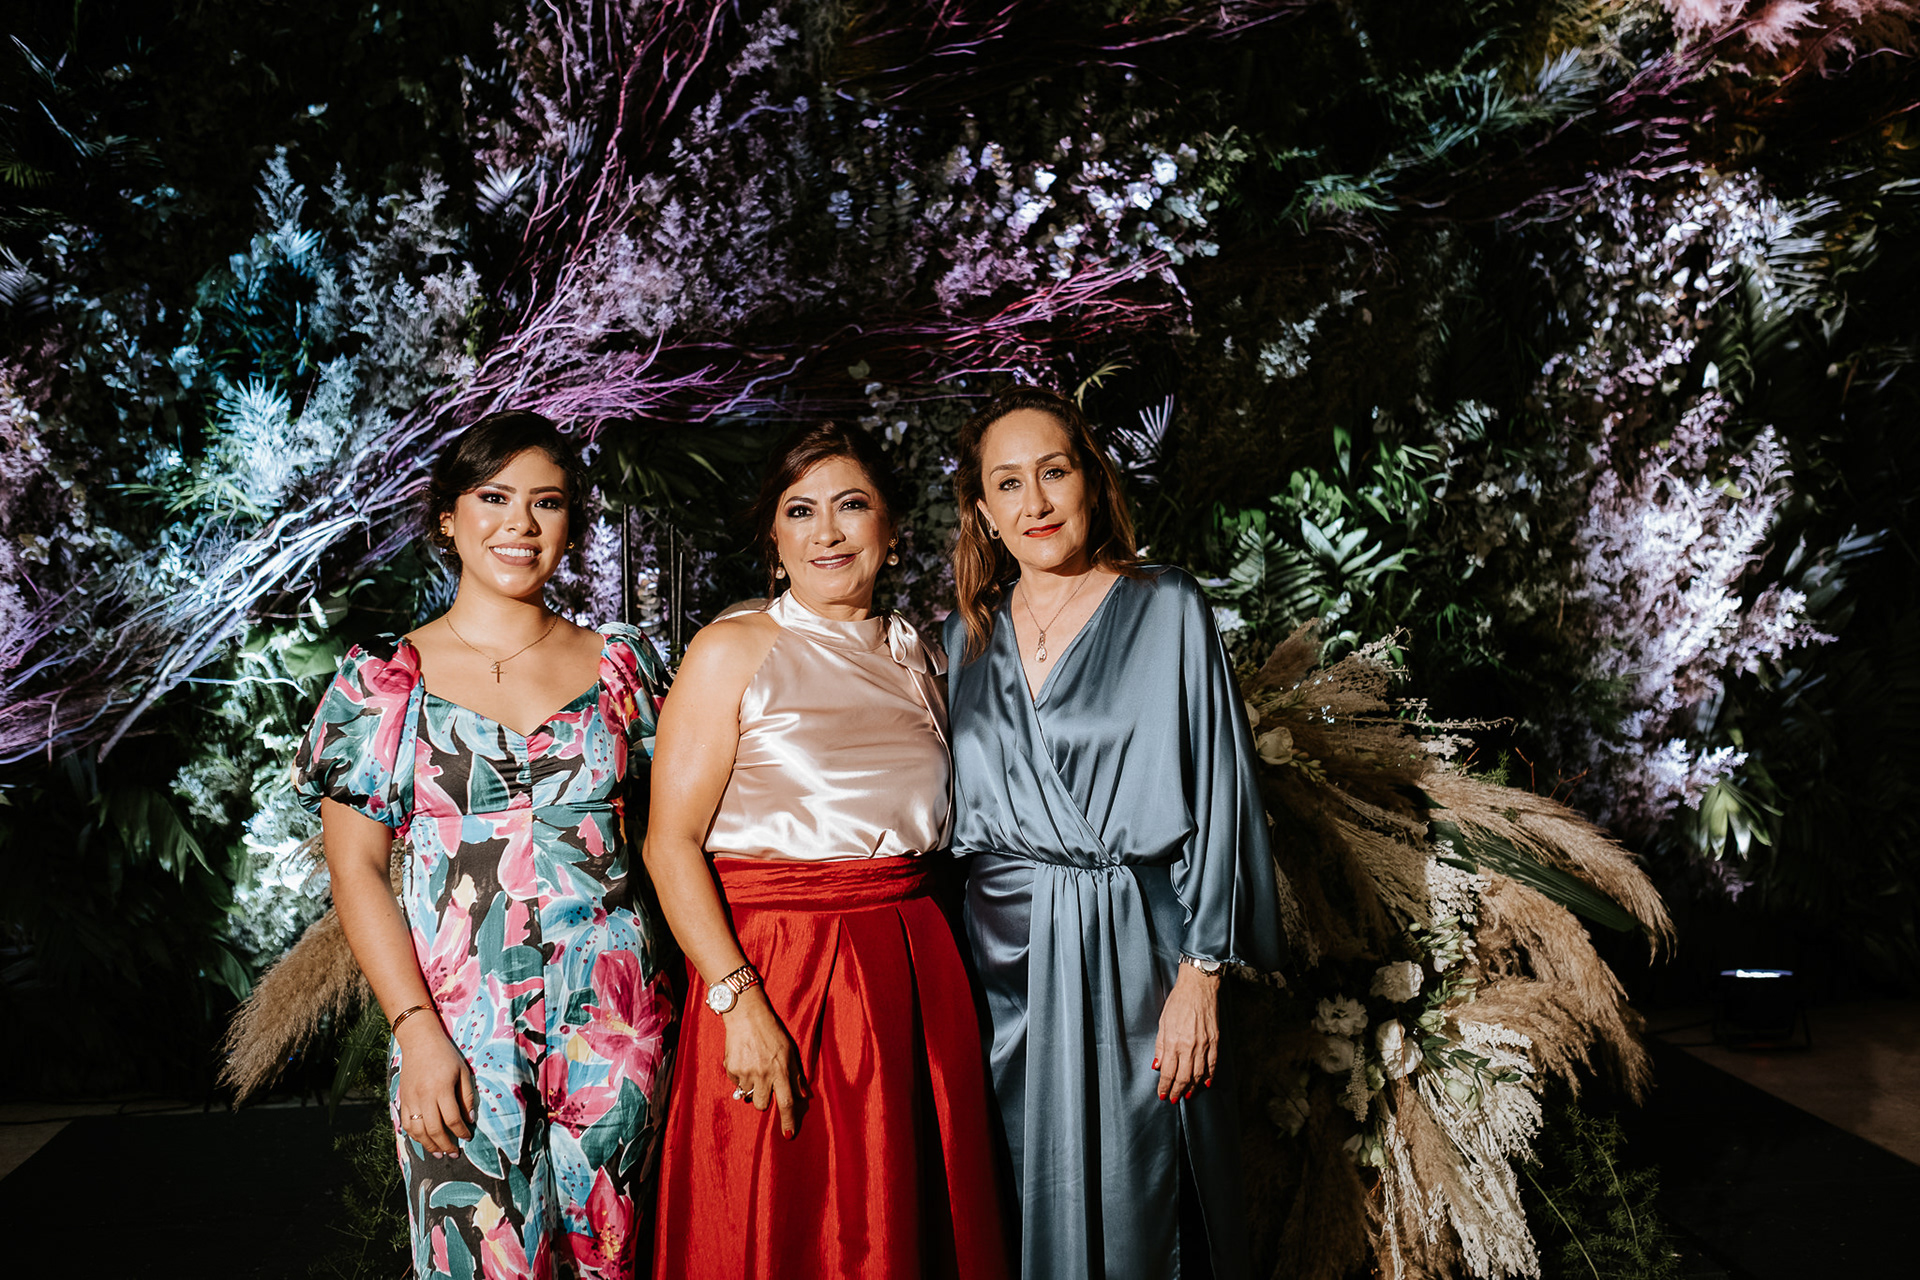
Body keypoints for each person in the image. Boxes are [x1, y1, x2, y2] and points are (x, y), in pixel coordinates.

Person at [294, 410, 674, 1280]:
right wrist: (416, 1029)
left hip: (615, 1024)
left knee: (617, 1262)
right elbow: (356, 872)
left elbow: (671, 840)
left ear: (571, 523)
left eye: (548, 502)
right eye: (494, 498)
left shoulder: (624, 670)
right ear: (448, 518)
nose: (521, 524)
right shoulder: (383, 684)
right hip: (459, 1032)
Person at [647, 421, 1010, 1280]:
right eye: (801, 511)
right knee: (780, 1217)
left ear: (890, 529)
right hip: (779, 970)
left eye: (852, 506)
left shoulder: (922, 652)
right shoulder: (733, 648)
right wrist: (739, 1003)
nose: (828, 532)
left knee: (903, 1222)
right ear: (774, 540)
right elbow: (670, 845)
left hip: (914, 971)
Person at [944, 387, 1289, 1280]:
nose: (1036, 503)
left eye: (1054, 473)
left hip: (1142, 953)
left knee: (1157, 1196)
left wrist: (1201, 977)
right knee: (1017, 1196)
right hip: (1002, 974)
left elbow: (1221, 793)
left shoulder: (1167, 605)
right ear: (983, 511)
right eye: (1008, 483)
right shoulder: (962, 639)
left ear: (1091, 482)